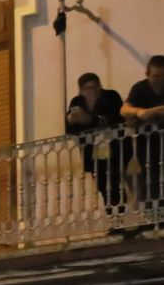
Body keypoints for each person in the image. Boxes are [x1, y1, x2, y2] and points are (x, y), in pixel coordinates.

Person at [67, 72, 128, 212]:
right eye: (88, 88)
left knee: (115, 183)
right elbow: (70, 129)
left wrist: (90, 120)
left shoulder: (111, 96)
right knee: (102, 185)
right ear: (81, 90)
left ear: (100, 86)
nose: (92, 91)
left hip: (114, 149)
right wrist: (71, 120)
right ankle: (113, 219)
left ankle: (119, 219)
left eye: (95, 86)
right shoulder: (77, 102)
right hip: (92, 152)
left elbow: (116, 120)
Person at [122, 55, 164, 209]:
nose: (160, 80)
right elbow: (124, 109)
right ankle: (151, 220)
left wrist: (157, 110)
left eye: (163, 75)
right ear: (147, 74)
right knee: (148, 181)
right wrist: (139, 112)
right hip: (145, 145)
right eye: (156, 76)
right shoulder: (140, 88)